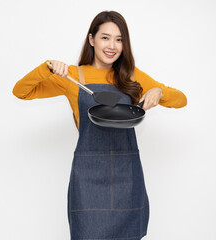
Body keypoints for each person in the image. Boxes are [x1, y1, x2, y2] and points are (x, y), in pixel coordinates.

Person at [12, 10, 187, 240]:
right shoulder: (73, 77)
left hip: (127, 176)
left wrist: (159, 91)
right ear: (92, 39)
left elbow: (181, 100)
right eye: (105, 37)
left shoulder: (130, 76)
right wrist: (47, 67)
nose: (112, 45)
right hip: (88, 179)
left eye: (119, 39)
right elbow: (21, 92)